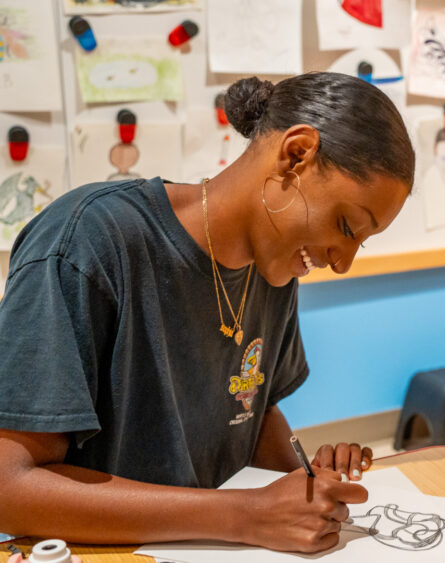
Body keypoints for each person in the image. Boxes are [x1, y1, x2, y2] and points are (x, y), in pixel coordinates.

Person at [0, 72, 415, 553]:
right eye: (345, 226)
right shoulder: (88, 244)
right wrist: (247, 515)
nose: (342, 262)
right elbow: (10, 488)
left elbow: (249, 413)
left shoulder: (274, 266)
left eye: (361, 243)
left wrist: (305, 485)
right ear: (296, 154)